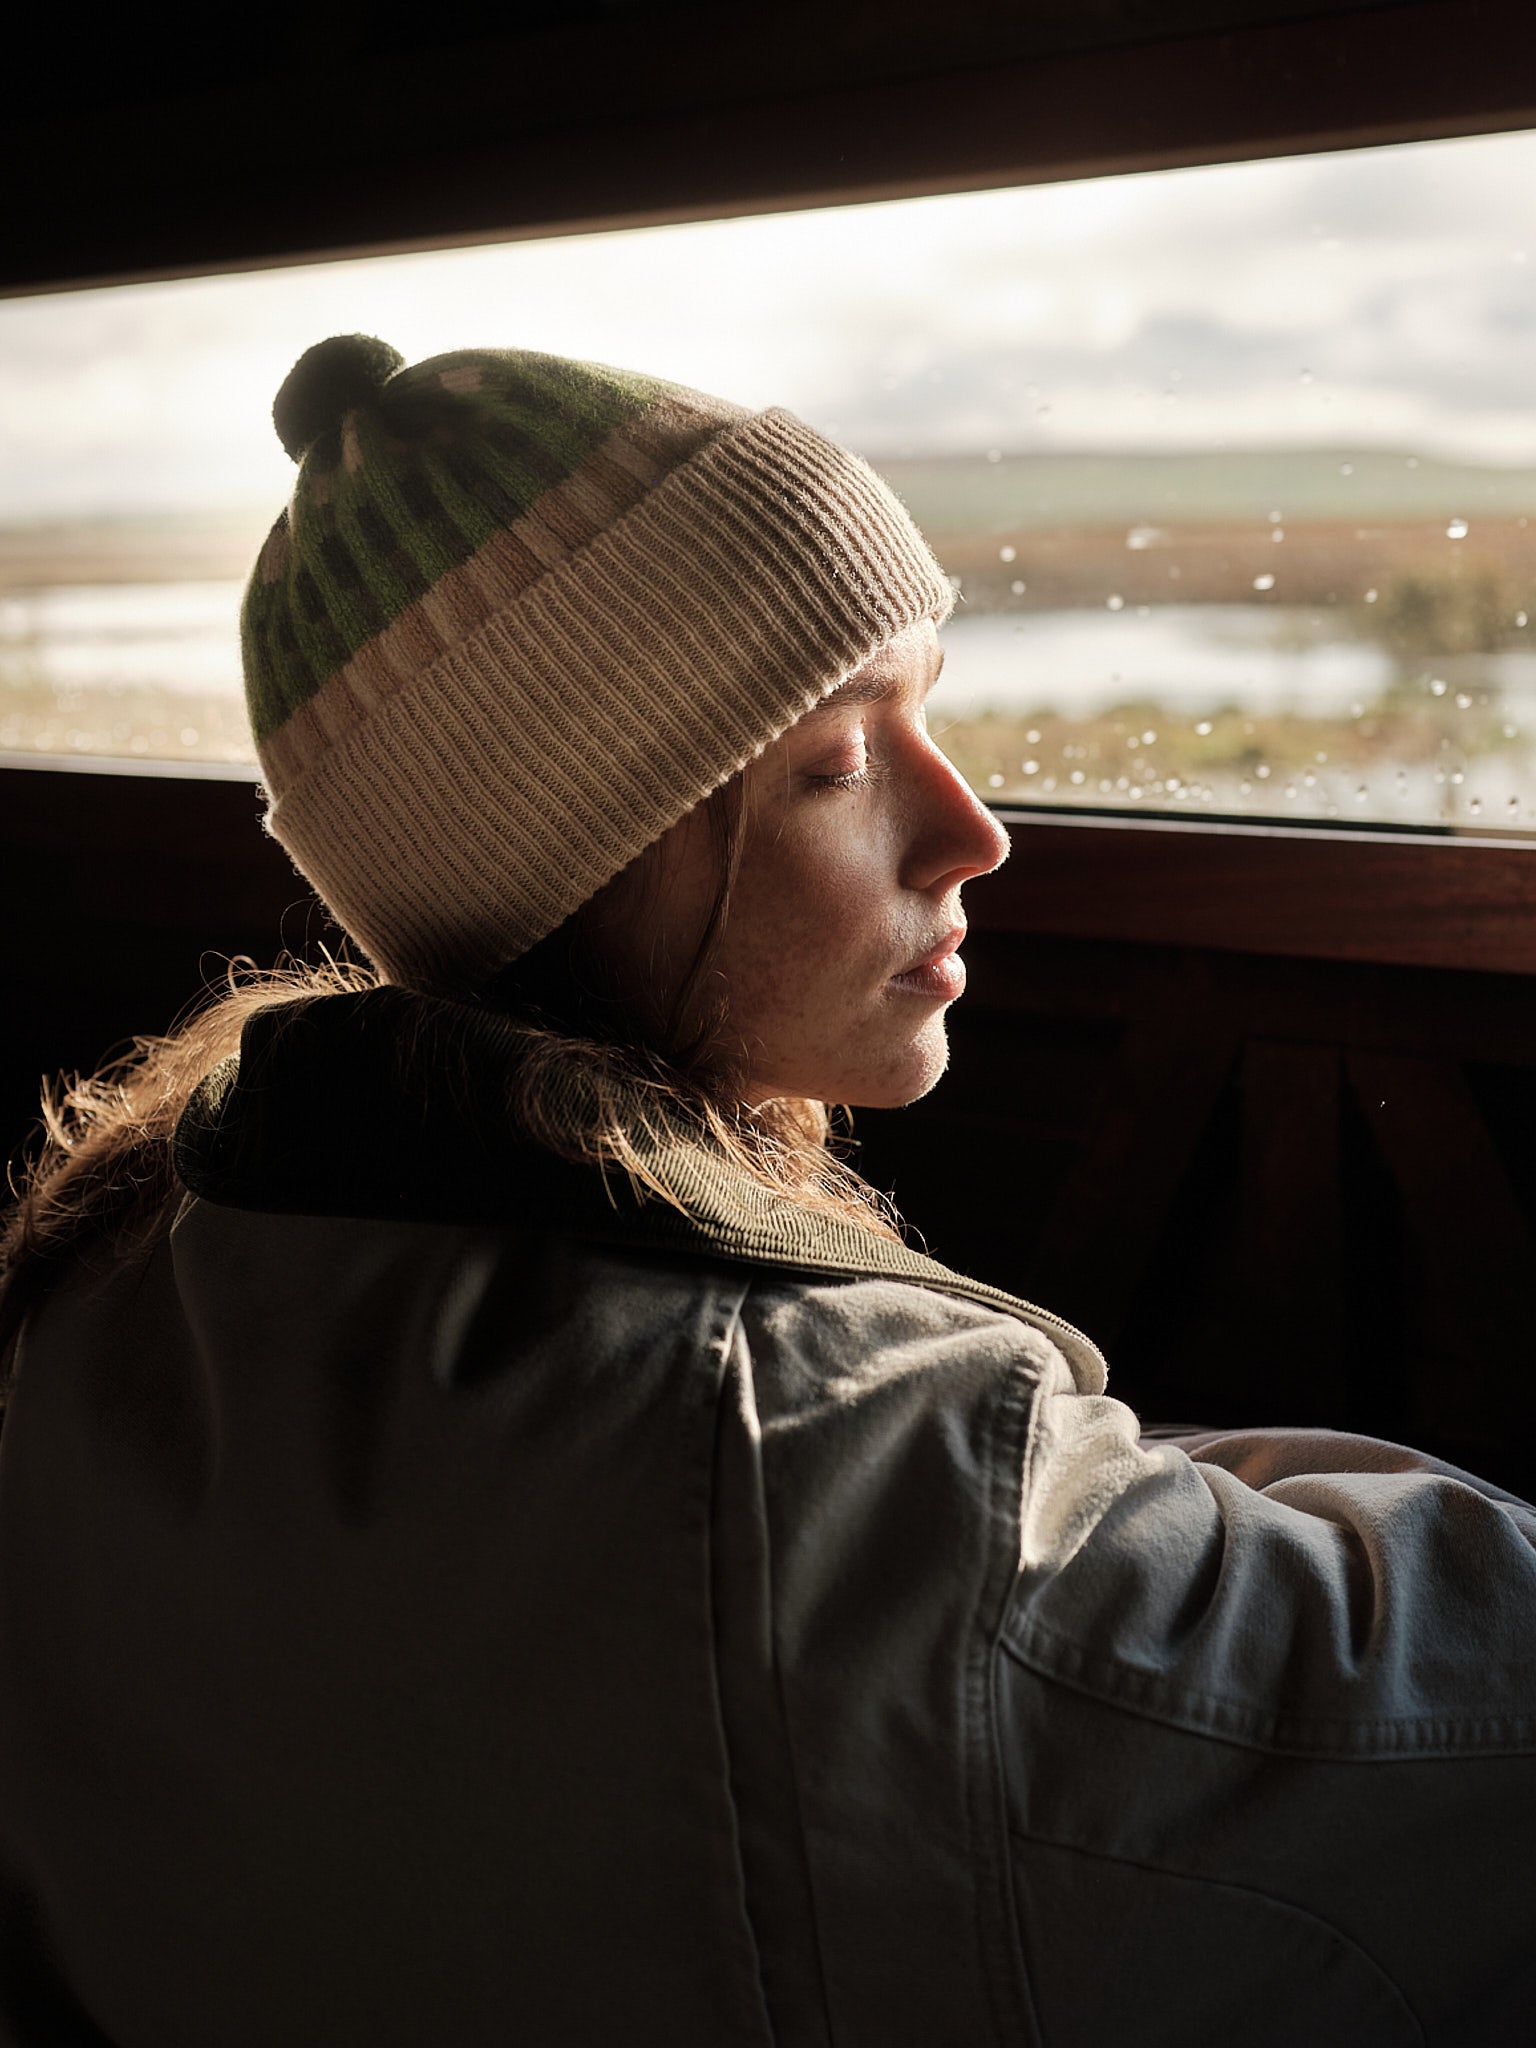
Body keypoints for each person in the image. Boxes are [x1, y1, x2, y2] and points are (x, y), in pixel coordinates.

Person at [0, 334, 1532, 2048]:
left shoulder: (112, 1296)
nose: (971, 831)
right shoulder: (842, 1466)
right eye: (831, 764)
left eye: (926, 707)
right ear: (574, 862)